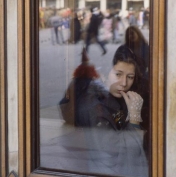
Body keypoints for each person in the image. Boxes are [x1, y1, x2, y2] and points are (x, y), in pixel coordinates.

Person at [57, 45, 148, 176]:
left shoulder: (116, 98)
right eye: (118, 74)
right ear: (105, 75)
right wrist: (134, 118)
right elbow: (115, 153)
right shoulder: (96, 108)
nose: (123, 83)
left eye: (130, 77)